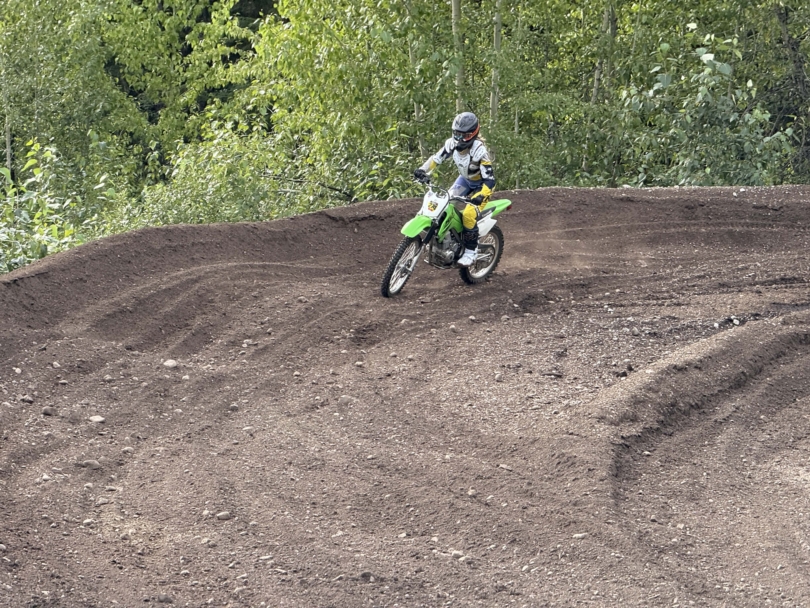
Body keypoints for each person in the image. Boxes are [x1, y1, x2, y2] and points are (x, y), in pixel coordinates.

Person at [413, 112, 495, 267]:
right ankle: (448, 238)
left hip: (482, 185)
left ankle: (471, 251)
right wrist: (422, 170)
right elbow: (436, 158)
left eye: (465, 136)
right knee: (445, 204)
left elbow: (490, 179)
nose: (460, 139)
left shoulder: (480, 152)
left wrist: (481, 196)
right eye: (457, 134)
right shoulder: (451, 144)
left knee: (468, 215)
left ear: (473, 134)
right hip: (465, 180)